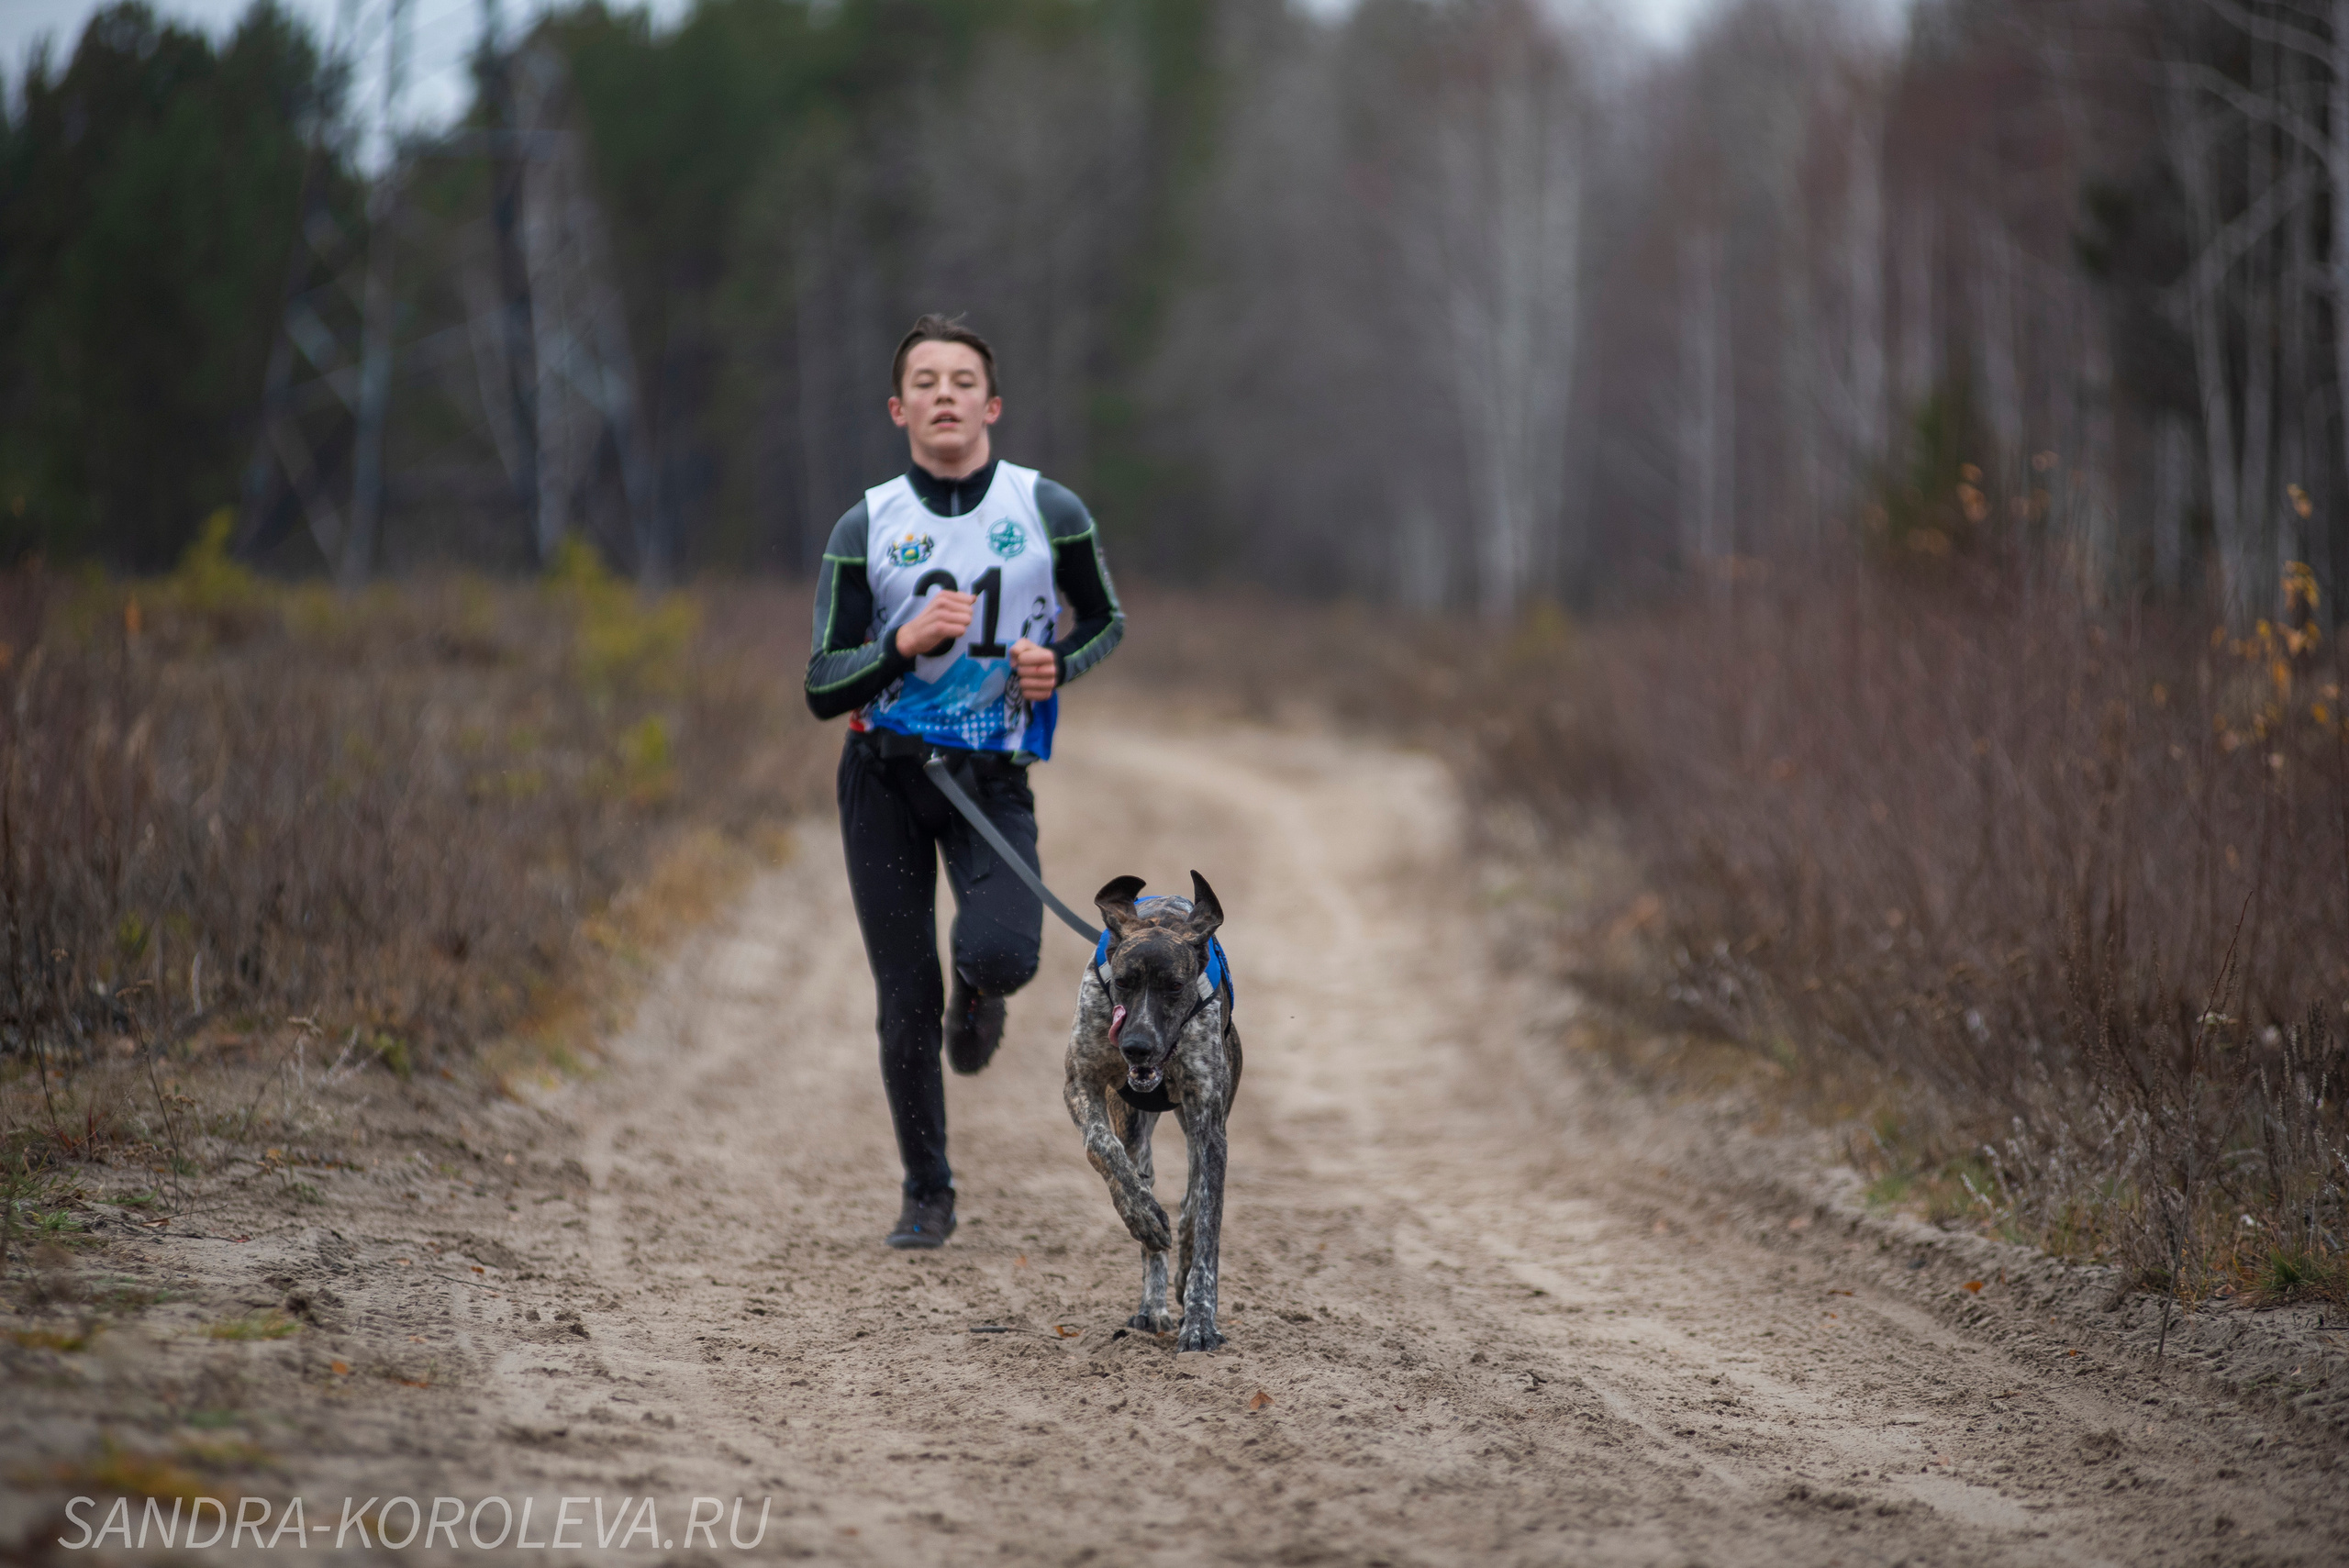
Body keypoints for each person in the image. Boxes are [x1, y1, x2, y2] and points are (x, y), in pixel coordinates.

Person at [804, 314, 1125, 1250]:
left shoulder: (1048, 508)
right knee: (902, 994)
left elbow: (1106, 619)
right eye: (925, 380)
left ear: (990, 404)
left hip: (990, 779)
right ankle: (927, 1191)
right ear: (900, 407)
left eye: (962, 380)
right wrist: (898, 645)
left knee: (1003, 954)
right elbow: (822, 682)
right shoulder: (866, 523)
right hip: (884, 779)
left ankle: (975, 1000)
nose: (944, 394)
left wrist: (1055, 666)